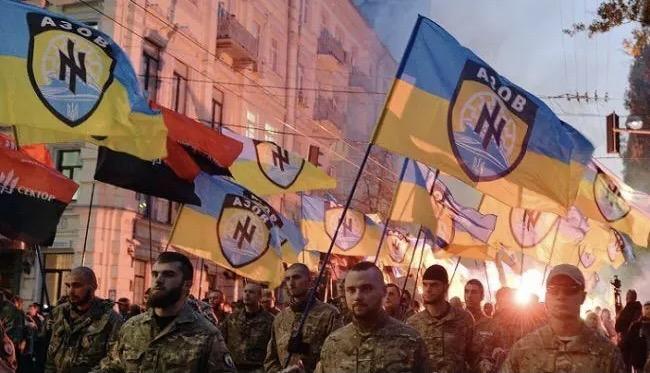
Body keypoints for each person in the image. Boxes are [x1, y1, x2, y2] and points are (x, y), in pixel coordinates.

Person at [93, 252, 236, 373]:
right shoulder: (132, 327)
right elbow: (113, 367)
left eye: (168, 274)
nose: (158, 280)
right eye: (155, 274)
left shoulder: (207, 335)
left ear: (186, 285)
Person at [500, 264, 625, 373]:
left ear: (583, 296)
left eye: (570, 290)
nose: (561, 296)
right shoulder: (523, 350)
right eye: (554, 289)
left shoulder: (607, 354)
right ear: (547, 297)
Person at [315, 262, 431, 372]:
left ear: (383, 292)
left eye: (366, 289)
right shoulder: (334, 343)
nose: (358, 296)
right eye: (351, 290)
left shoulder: (410, 341)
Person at [264, 263, 341, 373]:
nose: (291, 283)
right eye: (287, 279)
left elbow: (337, 356)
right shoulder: (280, 318)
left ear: (310, 281)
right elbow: (271, 359)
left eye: (296, 277)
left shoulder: (329, 314)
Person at [45, 267, 123, 373]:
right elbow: (50, 356)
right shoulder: (59, 313)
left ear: (92, 288)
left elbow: (115, 362)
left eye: (77, 286)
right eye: (68, 286)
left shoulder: (111, 319)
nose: (70, 291)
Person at [406, 264, 474, 373]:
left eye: (434, 285)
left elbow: (473, 356)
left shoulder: (464, 319)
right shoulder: (412, 323)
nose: (428, 290)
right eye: (425, 285)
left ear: (445, 287)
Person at [220, 283, 273, 373]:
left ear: (260, 297)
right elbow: (220, 341)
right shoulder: (232, 318)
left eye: (251, 292)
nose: (247, 295)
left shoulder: (270, 320)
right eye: (245, 291)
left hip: (257, 368)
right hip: (232, 368)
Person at [616, 289, 643, 372]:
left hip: (629, 342)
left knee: (629, 366)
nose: (627, 298)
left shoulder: (632, 308)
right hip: (629, 342)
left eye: (629, 295)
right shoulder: (631, 309)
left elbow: (619, 327)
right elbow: (618, 327)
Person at [622, 301, 650, 372]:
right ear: (643, 311)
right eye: (647, 308)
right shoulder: (636, 326)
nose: (649, 311)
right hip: (639, 361)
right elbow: (628, 343)